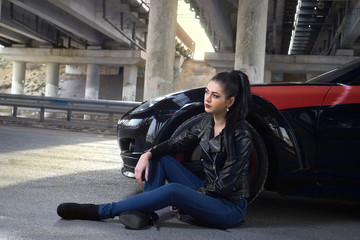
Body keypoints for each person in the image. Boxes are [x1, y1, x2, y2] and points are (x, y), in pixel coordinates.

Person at [57, 70, 252, 230]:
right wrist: (147, 154)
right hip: (207, 193)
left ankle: (101, 211)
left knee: (174, 190)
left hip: (227, 206)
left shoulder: (241, 134)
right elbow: (175, 144)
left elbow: (224, 184)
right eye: (207, 92)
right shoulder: (205, 122)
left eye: (215, 95)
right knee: (160, 158)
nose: (207, 99)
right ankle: (146, 214)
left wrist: (188, 197)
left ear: (230, 102)